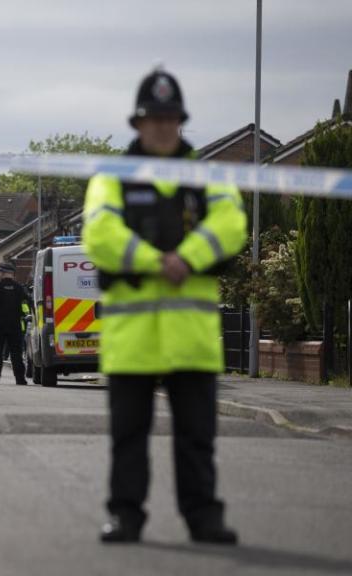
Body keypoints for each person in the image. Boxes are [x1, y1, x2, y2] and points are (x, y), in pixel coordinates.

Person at [82, 68, 246, 545]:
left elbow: (233, 222)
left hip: (191, 340)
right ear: (137, 124)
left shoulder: (204, 175)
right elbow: (100, 234)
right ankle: (125, 516)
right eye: (153, 118)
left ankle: (204, 518)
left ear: (180, 122)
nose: (161, 126)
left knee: (198, 438)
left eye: (170, 118)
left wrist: (188, 258)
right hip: (132, 340)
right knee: (128, 437)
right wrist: (160, 262)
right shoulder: (112, 177)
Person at [0, 262, 30, 385]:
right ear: (12, 274)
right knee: (16, 353)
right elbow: (27, 302)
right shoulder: (19, 288)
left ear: (3, 273)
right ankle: (20, 379)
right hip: (15, 325)